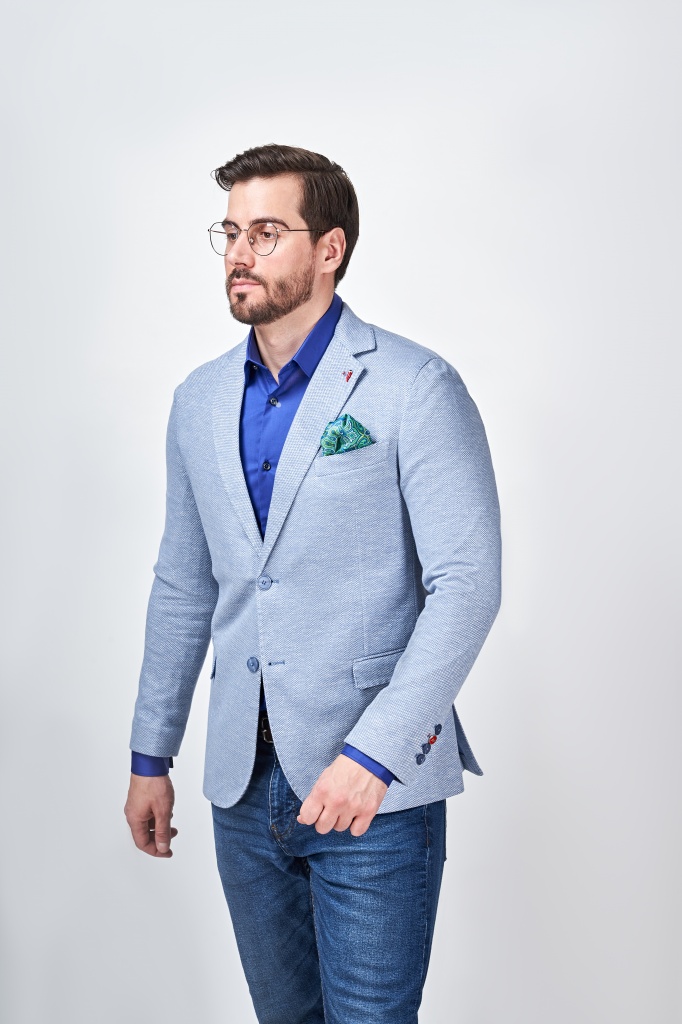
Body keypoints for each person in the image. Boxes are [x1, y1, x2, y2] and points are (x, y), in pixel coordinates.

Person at [124, 143, 501, 1024]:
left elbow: (468, 584)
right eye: (230, 233)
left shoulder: (414, 385)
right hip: (240, 785)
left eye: (266, 232)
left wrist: (373, 758)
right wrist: (150, 755)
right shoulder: (198, 400)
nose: (239, 253)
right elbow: (183, 584)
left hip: (370, 790)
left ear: (330, 248)